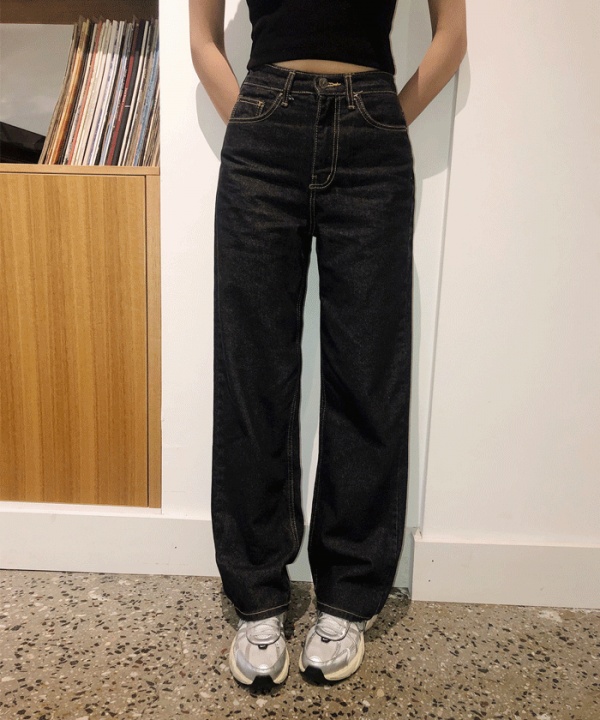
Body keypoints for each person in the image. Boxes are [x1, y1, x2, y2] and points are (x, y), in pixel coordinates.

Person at [189, 0, 467, 688]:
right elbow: (201, 40)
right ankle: (257, 595)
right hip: (264, 131)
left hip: (372, 132)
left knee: (366, 372)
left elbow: (452, 37)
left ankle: (346, 596)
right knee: (252, 372)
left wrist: (380, 122)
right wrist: (254, 121)